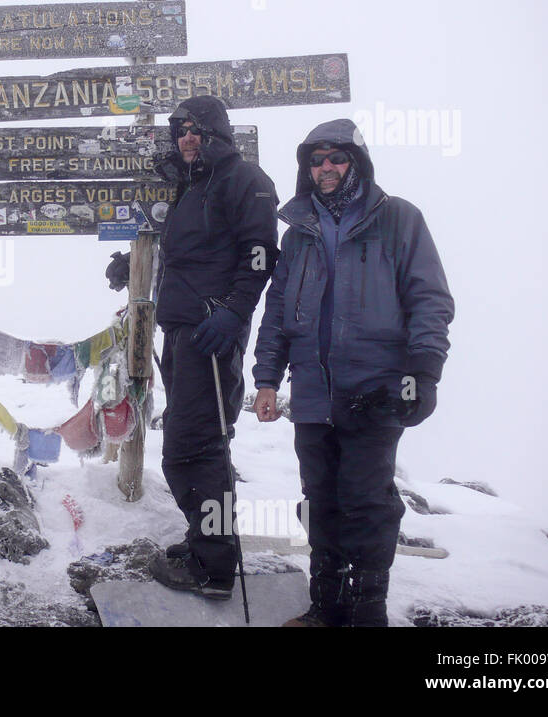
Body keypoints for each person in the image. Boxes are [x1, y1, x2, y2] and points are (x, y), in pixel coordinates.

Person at [251, 119, 453, 627]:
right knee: (320, 500)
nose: (326, 168)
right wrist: (267, 380)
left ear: (356, 162)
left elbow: (430, 300)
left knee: (367, 502)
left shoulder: (399, 220)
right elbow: (277, 311)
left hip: (376, 391)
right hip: (314, 396)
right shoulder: (298, 235)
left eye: (336, 158)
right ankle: (327, 608)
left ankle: (367, 615)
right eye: (316, 160)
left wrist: (423, 373)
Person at [114, 95, 279, 599]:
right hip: (185, 330)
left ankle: (214, 568)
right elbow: (193, 257)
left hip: (211, 333)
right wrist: (136, 268)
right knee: (194, 446)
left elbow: (260, 255)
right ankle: (208, 545)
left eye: (198, 128)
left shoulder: (244, 180)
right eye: (181, 129)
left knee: (196, 449)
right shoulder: (195, 185)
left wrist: (234, 312)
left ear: (219, 135)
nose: (187, 136)